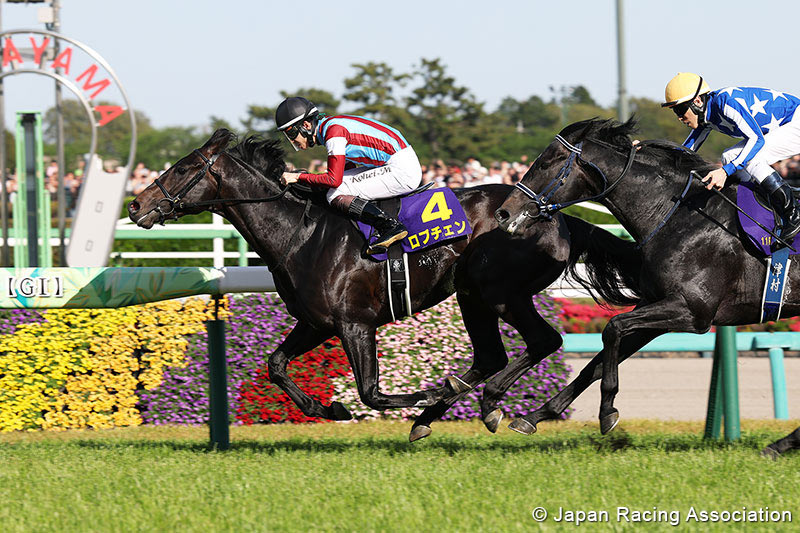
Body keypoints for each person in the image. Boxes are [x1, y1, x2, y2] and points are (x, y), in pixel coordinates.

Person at [661, 72, 800, 242]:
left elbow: (757, 139)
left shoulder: (724, 103)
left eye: (680, 109)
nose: (679, 117)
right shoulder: (706, 115)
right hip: (786, 124)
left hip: (795, 120)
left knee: (749, 159)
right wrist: (647, 149)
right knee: (729, 156)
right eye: (675, 111)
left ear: (697, 101)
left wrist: (725, 172)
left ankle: (793, 212)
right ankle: (767, 205)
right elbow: (683, 152)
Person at [275, 96, 422, 254]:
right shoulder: (330, 126)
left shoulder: (333, 133)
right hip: (396, 161)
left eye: (291, 133)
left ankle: (389, 226)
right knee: (333, 186)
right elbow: (347, 168)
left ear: (306, 125)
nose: (291, 140)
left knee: (335, 193)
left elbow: (334, 180)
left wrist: (298, 177)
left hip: (402, 169)